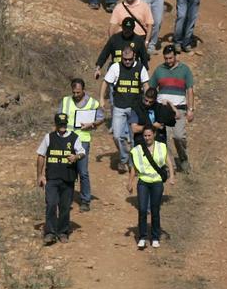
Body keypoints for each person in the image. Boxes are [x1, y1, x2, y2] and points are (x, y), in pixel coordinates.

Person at [35, 113, 86, 245]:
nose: (62, 127)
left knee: (64, 207)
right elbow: (41, 155)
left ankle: (63, 232)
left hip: (67, 178)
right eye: (60, 124)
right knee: (51, 204)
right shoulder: (49, 137)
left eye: (64, 124)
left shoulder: (74, 138)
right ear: (56, 125)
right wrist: (39, 175)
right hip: (51, 178)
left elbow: (82, 152)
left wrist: (76, 157)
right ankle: (50, 233)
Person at [100, 46, 150, 174]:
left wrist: (148, 100)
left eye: (129, 59)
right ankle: (123, 157)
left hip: (135, 108)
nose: (127, 62)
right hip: (119, 107)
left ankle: (133, 163)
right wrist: (101, 98)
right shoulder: (115, 67)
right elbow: (106, 82)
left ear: (134, 57)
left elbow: (145, 84)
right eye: (124, 59)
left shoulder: (140, 68)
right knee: (117, 136)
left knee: (135, 138)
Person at [58, 78, 104, 212]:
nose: (76, 95)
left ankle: (85, 200)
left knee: (83, 171)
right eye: (74, 92)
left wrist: (92, 124)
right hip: (67, 140)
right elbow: (58, 118)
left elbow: (101, 118)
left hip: (83, 140)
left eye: (78, 92)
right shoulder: (66, 101)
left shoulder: (92, 103)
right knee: (66, 170)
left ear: (83, 90)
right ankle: (66, 198)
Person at [126, 124, 175, 249]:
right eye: (145, 136)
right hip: (143, 181)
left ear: (154, 135)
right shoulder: (138, 150)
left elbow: (168, 162)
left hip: (157, 182)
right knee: (142, 209)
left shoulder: (161, 147)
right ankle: (142, 237)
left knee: (155, 209)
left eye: (149, 135)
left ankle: (155, 237)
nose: (147, 138)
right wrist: (130, 182)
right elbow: (134, 168)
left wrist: (172, 176)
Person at [149, 45, 195, 172]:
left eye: (170, 58)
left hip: (179, 109)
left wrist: (190, 109)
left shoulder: (184, 70)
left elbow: (190, 90)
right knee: (165, 138)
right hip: (163, 109)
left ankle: (183, 159)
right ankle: (171, 166)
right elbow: (151, 88)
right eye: (166, 58)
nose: (168, 61)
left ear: (176, 56)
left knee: (179, 136)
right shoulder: (159, 70)